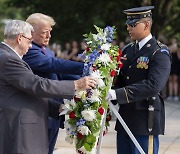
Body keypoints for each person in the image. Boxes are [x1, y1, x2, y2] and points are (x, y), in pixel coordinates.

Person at [0, 20, 96, 154]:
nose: (30, 45)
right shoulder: (7, 58)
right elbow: (37, 85)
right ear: (19, 38)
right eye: (29, 40)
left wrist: (57, 108)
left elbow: (27, 92)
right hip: (19, 129)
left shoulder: (9, 56)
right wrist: (76, 85)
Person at [107, 6, 171, 154]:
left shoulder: (159, 51)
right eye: (128, 24)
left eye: (133, 24)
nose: (128, 28)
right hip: (125, 117)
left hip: (144, 119)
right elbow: (122, 80)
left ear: (146, 25)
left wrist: (117, 94)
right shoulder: (128, 49)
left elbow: (154, 85)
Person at [22, 13, 87, 154]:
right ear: (31, 32)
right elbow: (53, 65)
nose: (49, 36)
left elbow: (60, 74)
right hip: (40, 112)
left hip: (54, 111)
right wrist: (85, 67)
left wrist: (88, 80)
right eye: (45, 33)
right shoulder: (30, 50)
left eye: (50, 32)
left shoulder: (46, 50)